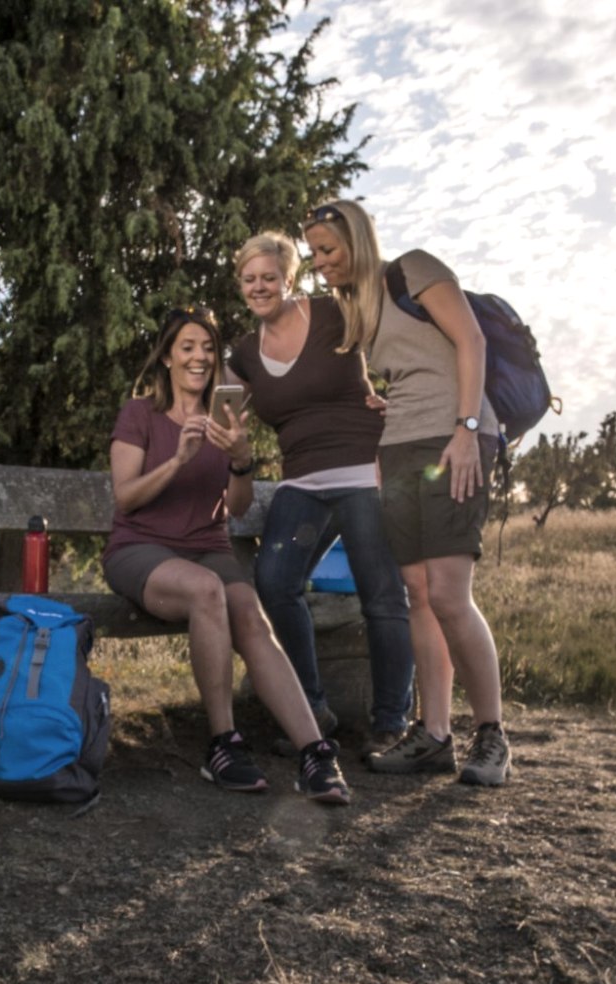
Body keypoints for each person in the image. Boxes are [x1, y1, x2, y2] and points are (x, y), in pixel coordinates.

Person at [298, 200, 512, 784]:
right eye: (314, 254)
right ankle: (435, 735)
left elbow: (470, 342)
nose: (321, 263)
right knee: (417, 591)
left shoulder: (413, 269)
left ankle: (492, 735)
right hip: (400, 447)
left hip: (455, 439)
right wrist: (386, 408)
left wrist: (467, 432)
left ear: (360, 240)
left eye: (329, 250)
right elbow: (419, 367)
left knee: (448, 593)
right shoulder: (359, 308)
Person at [103, 304, 351, 804]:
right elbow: (126, 497)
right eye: (187, 347)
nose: (199, 357)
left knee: (251, 617)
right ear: (168, 358)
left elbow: (236, 509)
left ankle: (314, 753)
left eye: (208, 348)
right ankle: (222, 744)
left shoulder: (229, 419)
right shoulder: (140, 414)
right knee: (207, 591)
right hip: (140, 550)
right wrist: (178, 460)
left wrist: (240, 461)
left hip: (208, 546)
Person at [225, 232, 416, 759]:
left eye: (269, 277)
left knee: (382, 595)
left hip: (363, 470)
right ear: (240, 284)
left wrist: (398, 401)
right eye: (249, 279)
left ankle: (390, 722)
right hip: (302, 481)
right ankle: (312, 709)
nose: (259, 287)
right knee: (274, 580)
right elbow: (208, 405)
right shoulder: (242, 355)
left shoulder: (336, 312)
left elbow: (405, 346)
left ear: (289, 279)